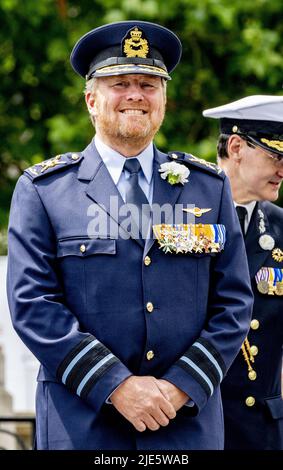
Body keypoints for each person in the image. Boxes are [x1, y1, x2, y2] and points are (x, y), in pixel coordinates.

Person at [7, 20, 253, 451]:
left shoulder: (208, 187)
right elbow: (33, 305)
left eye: (149, 84)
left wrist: (180, 388)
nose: (136, 94)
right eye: (120, 83)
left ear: (163, 100)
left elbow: (234, 302)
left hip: (186, 424)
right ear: (91, 100)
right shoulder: (44, 191)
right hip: (83, 424)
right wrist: (116, 386)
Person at [203, 95, 283, 450]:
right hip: (196, 421)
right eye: (275, 156)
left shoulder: (280, 226)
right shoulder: (178, 216)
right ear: (236, 147)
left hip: (261, 429)